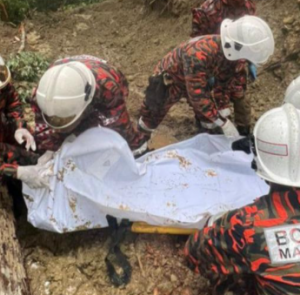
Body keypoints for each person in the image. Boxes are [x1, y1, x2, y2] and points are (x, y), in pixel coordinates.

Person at [185, 103, 300, 294]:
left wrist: (217, 222)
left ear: (258, 160)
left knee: (231, 269)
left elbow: (193, 253)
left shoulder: (248, 224)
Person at [0, 55, 149, 188]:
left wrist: (19, 125)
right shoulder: (42, 98)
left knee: (104, 145)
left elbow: (119, 129)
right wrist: (18, 172)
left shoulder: (108, 90)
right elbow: (45, 126)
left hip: (100, 91)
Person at [138, 16, 274, 140]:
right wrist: (224, 123)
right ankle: (139, 142)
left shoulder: (230, 55)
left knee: (208, 119)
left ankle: (205, 137)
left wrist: (222, 108)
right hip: (171, 80)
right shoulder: (198, 55)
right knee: (153, 113)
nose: (244, 63)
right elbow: (198, 96)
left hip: (197, 77)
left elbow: (224, 84)